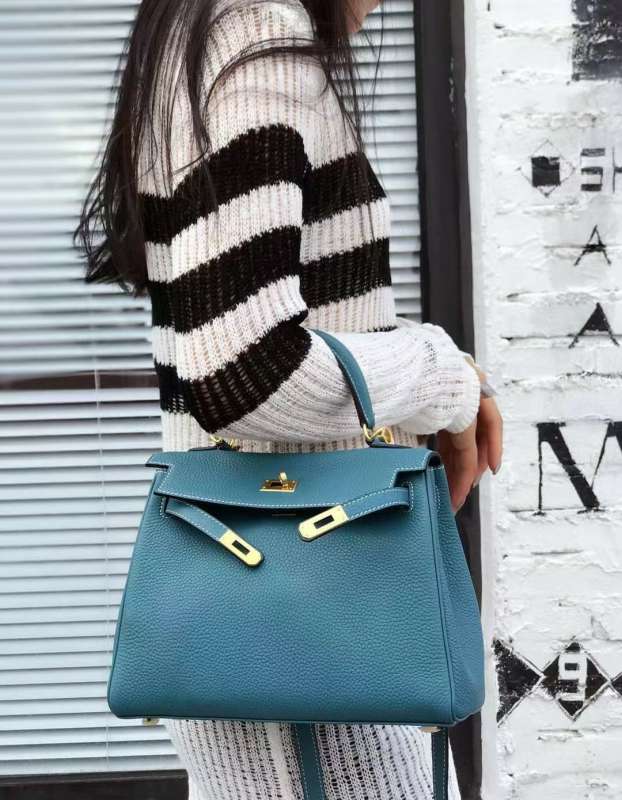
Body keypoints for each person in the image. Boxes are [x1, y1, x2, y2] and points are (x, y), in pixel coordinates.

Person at [76, 0, 503, 797]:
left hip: (279, 603)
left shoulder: (214, 28)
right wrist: (443, 378)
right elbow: (247, 370)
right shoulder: (257, 28)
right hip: (304, 631)